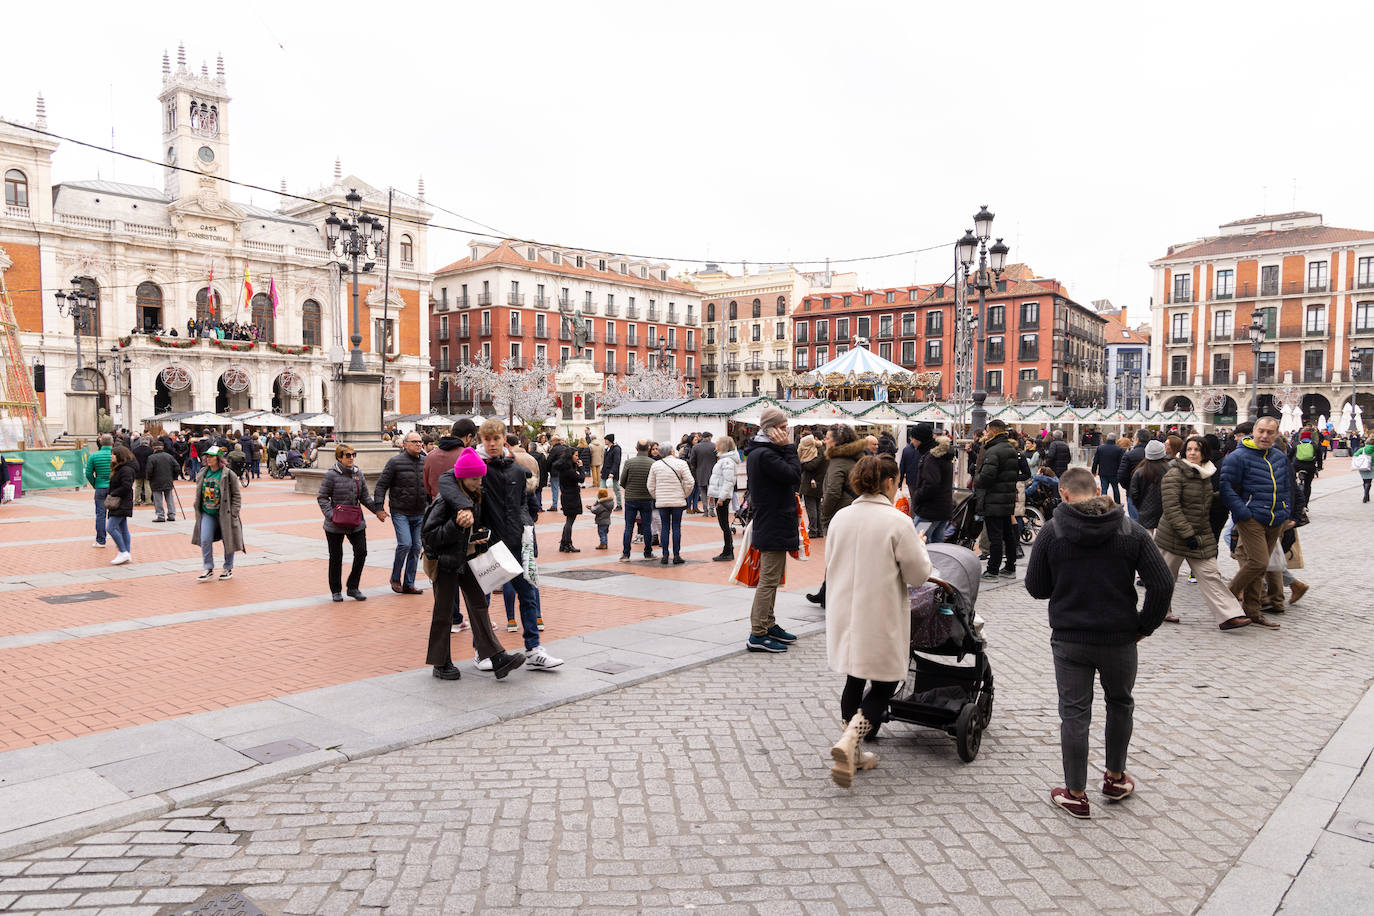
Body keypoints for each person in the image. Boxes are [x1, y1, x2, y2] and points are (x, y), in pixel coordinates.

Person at [1024, 467, 1173, 819]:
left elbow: (1036, 587)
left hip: (1070, 638)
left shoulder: (1052, 531)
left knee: (1074, 714)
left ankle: (1075, 793)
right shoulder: (1129, 530)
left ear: (1063, 494)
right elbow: (1162, 583)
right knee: (1120, 704)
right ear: (1097, 490)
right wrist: (1144, 626)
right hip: (1120, 637)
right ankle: (1115, 777)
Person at [826, 454, 932, 787]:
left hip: (846, 609)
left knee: (855, 677)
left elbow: (829, 562)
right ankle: (850, 741)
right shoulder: (896, 521)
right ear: (889, 482)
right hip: (880, 612)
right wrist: (921, 547)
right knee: (885, 682)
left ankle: (853, 754)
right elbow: (918, 574)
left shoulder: (841, 517)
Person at [422, 448, 525, 680]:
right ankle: (440, 662)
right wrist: (457, 526)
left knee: (479, 605)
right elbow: (429, 536)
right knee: (444, 612)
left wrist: (479, 533)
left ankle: (497, 656)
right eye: (474, 478)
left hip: (467, 559)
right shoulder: (444, 502)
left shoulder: (475, 496)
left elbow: (474, 527)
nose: (479, 481)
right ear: (462, 477)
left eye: (480, 477)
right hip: (445, 562)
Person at [474, 420, 561, 670]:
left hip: (517, 540)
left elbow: (523, 502)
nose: (491, 444)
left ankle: (533, 649)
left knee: (528, 594)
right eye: (486, 439)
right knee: (483, 600)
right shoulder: (476, 467)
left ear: (504, 440)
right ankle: (482, 651)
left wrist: (526, 527)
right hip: (489, 543)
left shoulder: (516, 469)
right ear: (481, 439)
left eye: (495, 439)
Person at [1152, 435, 1250, 630]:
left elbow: (1200, 502)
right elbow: (1172, 508)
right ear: (1184, 452)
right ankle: (1159, 612)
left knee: (1210, 574)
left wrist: (1222, 496)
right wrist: (1187, 534)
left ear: (1204, 453)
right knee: (1165, 579)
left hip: (1199, 535)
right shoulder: (1174, 474)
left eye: (1197, 450)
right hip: (1173, 536)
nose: (1193, 453)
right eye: (1189, 450)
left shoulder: (1204, 474)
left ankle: (1229, 615)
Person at [1220, 416, 1292, 627]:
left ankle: (1252, 611)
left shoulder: (1279, 457)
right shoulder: (1238, 456)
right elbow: (1226, 488)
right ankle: (1226, 597)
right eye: (1261, 431)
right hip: (1251, 517)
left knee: (1261, 567)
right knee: (1259, 562)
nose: (1265, 436)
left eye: (1270, 432)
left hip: (1275, 517)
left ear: (1277, 434)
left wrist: (1285, 509)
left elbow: (1287, 486)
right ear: (1254, 431)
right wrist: (1243, 512)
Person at [743, 407, 801, 654]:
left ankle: (768, 623)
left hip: (774, 520)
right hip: (774, 521)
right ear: (771, 429)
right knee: (768, 581)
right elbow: (793, 474)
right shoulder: (766, 455)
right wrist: (789, 448)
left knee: (773, 578)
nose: (786, 432)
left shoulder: (763, 452)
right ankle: (758, 632)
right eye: (783, 427)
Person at [317, 442, 387, 602]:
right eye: (348, 455)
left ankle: (353, 587)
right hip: (335, 523)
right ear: (339, 457)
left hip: (355, 520)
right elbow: (322, 497)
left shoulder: (357, 473)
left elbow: (365, 497)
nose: (351, 458)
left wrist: (377, 510)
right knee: (336, 557)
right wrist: (331, 514)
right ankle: (336, 590)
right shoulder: (331, 475)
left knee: (361, 552)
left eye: (353, 455)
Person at [375, 431, 429, 595]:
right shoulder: (395, 462)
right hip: (401, 511)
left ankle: (409, 583)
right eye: (414, 442)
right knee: (405, 544)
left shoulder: (426, 462)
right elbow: (381, 485)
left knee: (416, 547)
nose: (419, 444)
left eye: (420, 441)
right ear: (405, 444)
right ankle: (395, 578)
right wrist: (379, 507)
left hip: (420, 511)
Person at [973, 419, 1020, 581]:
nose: (985, 434)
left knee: (995, 537)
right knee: (1008, 534)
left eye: (986, 431)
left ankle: (992, 570)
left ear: (993, 431)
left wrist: (976, 477)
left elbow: (986, 477)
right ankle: (1010, 567)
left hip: (994, 500)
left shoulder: (994, 451)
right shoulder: (1011, 448)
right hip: (1007, 499)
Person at [191, 446, 244, 580]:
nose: (208, 459)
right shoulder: (203, 472)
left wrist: (234, 512)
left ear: (218, 458)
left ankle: (227, 568)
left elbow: (236, 495)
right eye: (207, 456)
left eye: (211, 456)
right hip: (207, 512)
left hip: (224, 513)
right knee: (205, 539)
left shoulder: (228, 474)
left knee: (228, 540)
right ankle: (208, 568)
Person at [648, 440, 694, 565]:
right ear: (672, 451)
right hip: (677, 501)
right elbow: (690, 482)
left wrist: (657, 496)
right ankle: (677, 555)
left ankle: (665, 555)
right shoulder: (681, 464)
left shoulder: (655, 465)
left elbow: (650, 486)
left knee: (664, 527)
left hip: (662, 501)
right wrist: (684, 494)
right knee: (676, 527)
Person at [911, 432, 955, 544]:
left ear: (919, 440)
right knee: (937, 546)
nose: (911, 442)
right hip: (943, 509)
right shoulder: (944, 456)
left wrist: (917, 496)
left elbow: (931, 484)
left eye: (913, 438)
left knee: (917, 543)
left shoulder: (932, 457)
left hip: (929, 510)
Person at [619, 439, 657, 561]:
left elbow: (622, 481)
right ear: (649, 449)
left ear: (636, 449)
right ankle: (647, 553)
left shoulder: (629, 462)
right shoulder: (652, 463)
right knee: (647, 526)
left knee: (628, 527)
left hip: (631, 498)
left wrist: (630, 489)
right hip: (647, 498)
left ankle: (626, 554)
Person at [424, 418, 478, 499]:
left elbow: (427, 487)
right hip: (462, 506)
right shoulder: (468, 456)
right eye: (473, 440)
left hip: (436, 505)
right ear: (469, 437)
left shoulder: (430, 455)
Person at [707, 435, 740, 562]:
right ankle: (727, 550)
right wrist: (713, 495)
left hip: (723, 496)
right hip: (720, 494)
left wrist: (721, 497)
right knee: (723, 524)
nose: (716, 445)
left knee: (724, 524)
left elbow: (728, 481)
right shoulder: (724, 460)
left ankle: (728, 551)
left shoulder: (727, 461)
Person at [104, 445, 136, 565]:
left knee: (110, 527)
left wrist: (113, 493)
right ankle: (126, 552)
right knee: (123, 528)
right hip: (121, 502)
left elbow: (126, 486)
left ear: (120, 456)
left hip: (121, 502)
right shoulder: (121, 468)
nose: (111, 456)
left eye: (113, 454)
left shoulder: (126, 470)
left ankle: (123, 551)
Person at [1127, 440, 1169, 532]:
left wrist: (1140, 506)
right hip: (1166, 512)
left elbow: (1134, 494)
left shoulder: (1139, 472)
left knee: (1147, 542)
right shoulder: (1169, 470)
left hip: (1145, 512)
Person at [551, 444, 584, 553]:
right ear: (570, 456)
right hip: (571, 496)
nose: (577, 457)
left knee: (569, 521)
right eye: (576, 455)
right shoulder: (568, 470)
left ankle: (564, 543)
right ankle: (568, 544)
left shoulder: (564, 467)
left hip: (566, 495)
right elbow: (581, 479)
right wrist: (581, 467)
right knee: (570, 521)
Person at [1117, 429, 1153, 521]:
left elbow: (1122, 476)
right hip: (1151, 493)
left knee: (1135, 522)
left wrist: (1129, 487)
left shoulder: (1129, 455)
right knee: (1149, 523)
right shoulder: (1155, 455)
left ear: (1137, 439)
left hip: (1133, 493)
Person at [86, 434, 114, 548]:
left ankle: (101, 540)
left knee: (100, 514)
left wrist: (95, 483)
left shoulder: (94, 456)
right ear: (112, 443)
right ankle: (119, 538)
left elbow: (88, 473)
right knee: (116, 514)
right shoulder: (115, 455)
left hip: (100, 487)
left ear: (101, 443)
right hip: (114, 487)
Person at [798, 430, 827, 538]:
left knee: (812, 508)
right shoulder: (822, 449)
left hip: (812, 483)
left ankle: (813, 530)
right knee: (817, 507)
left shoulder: (819, 450)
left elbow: (812, 466)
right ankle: (819, 530)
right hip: (818, 483)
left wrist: (802, 463)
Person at [897, 425, 928, 521]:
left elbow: (902, 467)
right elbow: (902, 466)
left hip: (911, 480)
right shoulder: (922, 450)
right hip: (920, 480)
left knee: (915, 500)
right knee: (920, 500)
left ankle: (915, 518)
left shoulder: (906, 450)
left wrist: (900, 481)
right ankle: (917, 518)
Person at [146, 441, 180, 523]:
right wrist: (173, 476)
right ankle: (171, 514)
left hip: (155, 480)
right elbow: (177, 467)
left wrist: (149, 478)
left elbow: (149, 470)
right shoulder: (169, 456)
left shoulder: (151, 458)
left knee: (158, 499)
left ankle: (160, 515)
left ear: (153, 448)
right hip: (168, 479)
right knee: (169, 498)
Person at [688, 431, 717, 517]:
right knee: (712, 492)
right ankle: (712, 509)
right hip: (713, 472)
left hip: (700, 472)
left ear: (702, 437)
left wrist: (697, 467)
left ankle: (705, 510)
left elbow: (692, 460)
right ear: (710, 437)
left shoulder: (696, 447)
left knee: (703, 491)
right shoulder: (714, 446)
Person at [1093, 436, 1126, 503]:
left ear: (1107, 439)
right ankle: (1117, 503)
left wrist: (1094, 471)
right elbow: (1121, 463)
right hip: (1114, 473)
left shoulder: (1100, 448)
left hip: (1103, 472)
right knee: (1115, 489)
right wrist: (1121, 473)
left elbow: (1095, 461)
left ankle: (1103, 503)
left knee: (1104, 489)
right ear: (1115, 439)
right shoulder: (1119, 449)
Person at [601, 433, 623, 509]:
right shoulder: (607, 448)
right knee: (602, 489)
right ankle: (598, 503)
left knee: (616, 489)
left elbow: (616, 462)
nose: (604, 441)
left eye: (606, 439)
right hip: (605, 472)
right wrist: (602, 470)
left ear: (609, 440)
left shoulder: (616, 449)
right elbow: (605, 461)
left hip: (612, 473)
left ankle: (619, 505)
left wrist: (612, 472)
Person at [131, 436, 155, 506]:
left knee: (138, 486)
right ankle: (148, 501)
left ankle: (136, 501)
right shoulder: (150, 450)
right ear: (147, 443)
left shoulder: (135, 450)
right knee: (147, 486)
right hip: (147, 470)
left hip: (138, 470)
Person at [1355, 437, 1374, 503]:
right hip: (1372, 467)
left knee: (1365, 481)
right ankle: (1366, 495)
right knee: (1369, 481)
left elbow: (1355, 455)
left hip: (1363, 466)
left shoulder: (1362, 449)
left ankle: (1366, 495)